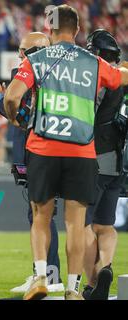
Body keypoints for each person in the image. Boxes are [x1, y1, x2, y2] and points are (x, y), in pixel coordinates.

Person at [4, 4, 128, 300]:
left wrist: (17, 118)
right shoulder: (94, 63)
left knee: (41, 216)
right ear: (77, 29)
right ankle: (72, 289)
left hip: (44, 148)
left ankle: (40, 278)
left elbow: (12, 97)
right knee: (77, 223)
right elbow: (121, 77)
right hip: (83, 152)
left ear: (50, 29)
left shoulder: (36, 60)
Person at [0, 32, 64, 294]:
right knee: (40, 214)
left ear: (41, 50)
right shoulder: (51, 75)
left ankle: (49, 276)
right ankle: (48, 274)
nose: (21, 56)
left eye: (25, 51)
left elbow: (24, 118)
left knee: (41, 215)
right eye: (20, 50)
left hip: (39, 152)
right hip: (36, 151)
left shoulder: (39, 75)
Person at [82, 29, 127, 300]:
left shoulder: (97, 78)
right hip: (118, 160)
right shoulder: (123, 78)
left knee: (85, 224)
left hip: (94, 156)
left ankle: (91, 282)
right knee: (106, 225)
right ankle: (107, 265)